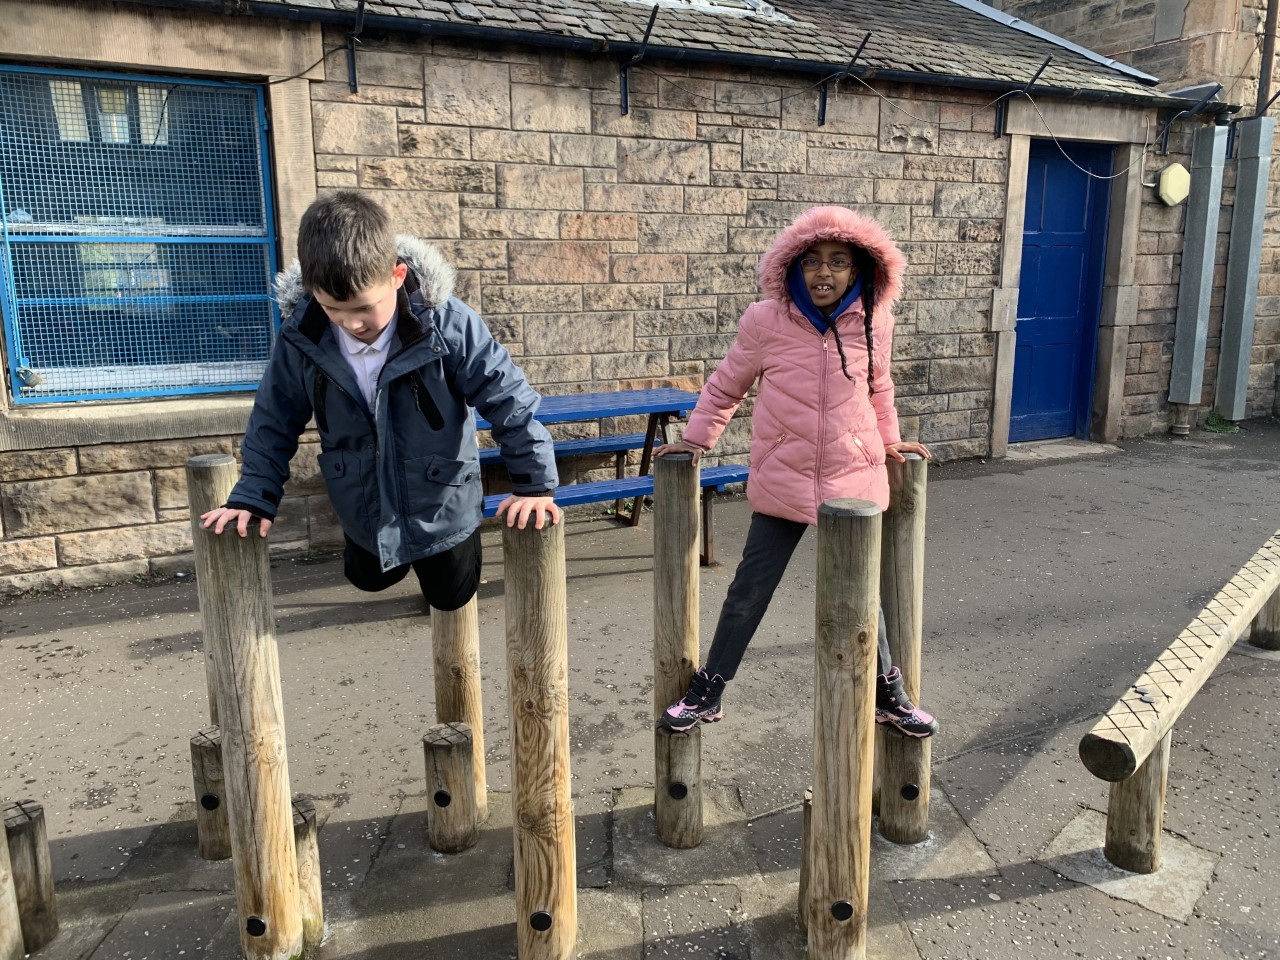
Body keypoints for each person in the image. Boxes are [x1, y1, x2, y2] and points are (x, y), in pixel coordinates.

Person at [655, 205, 938, 739]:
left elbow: (878, 386)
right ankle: (709, 689)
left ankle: (889, 695)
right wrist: (696, 439)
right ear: (794, 267)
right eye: (812, 261)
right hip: (784, 476)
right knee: (748, 590)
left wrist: (890, 439)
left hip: (852, 478)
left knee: (864, 596)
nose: (824, 272)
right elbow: (727, 384)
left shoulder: (874, 320)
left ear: (858, 269)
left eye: (838, 261)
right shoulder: (766, 320)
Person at [201, 190, 560, 611]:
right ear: (313, 292)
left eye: (364, 308)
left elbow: (508, 398)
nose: (351, 324)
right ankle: (386, 556)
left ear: (397, 275)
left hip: (440, 498)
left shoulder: (449, 324)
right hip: (362, 500)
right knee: (368, 578)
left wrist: (534, 484)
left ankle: (445, 565)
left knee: (451, 596)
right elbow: (273, 416)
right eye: (333, 309)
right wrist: (252, 496)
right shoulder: (303, 336)